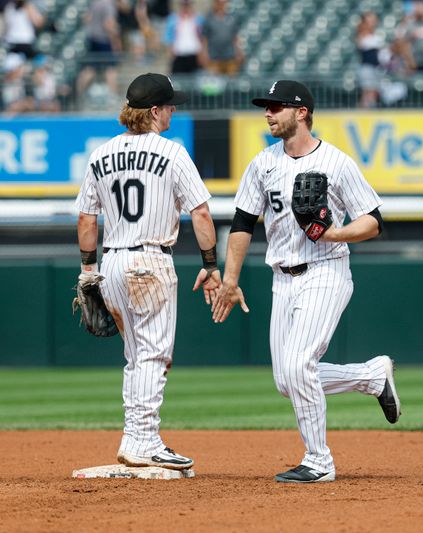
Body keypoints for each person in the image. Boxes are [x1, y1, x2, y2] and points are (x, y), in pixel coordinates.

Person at [211, 80, 401, 484]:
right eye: (266, 107)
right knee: (287, 381)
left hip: (326, 270)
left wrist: (335, 233)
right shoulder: (262, 163)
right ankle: (372, 377)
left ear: (301, 113)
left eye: (276, 107)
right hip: (283, 279)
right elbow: (243, 223)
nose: (268, 113)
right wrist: (230, 280)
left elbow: (374, 220)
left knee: (299, 367)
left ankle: (319, 460)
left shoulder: (337, 162)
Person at [76, 72, 221, 470]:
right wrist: (210, 265)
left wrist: (88, 270)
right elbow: (202, 212)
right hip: (150, 261)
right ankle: (145, 440)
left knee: (135, 356)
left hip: (112, 262)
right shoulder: (171, 152)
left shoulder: (100, 154)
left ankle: (133, 437)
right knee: (154, 355)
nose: (174, 109)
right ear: (155, 111)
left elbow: (88, 220)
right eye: (170, 104)